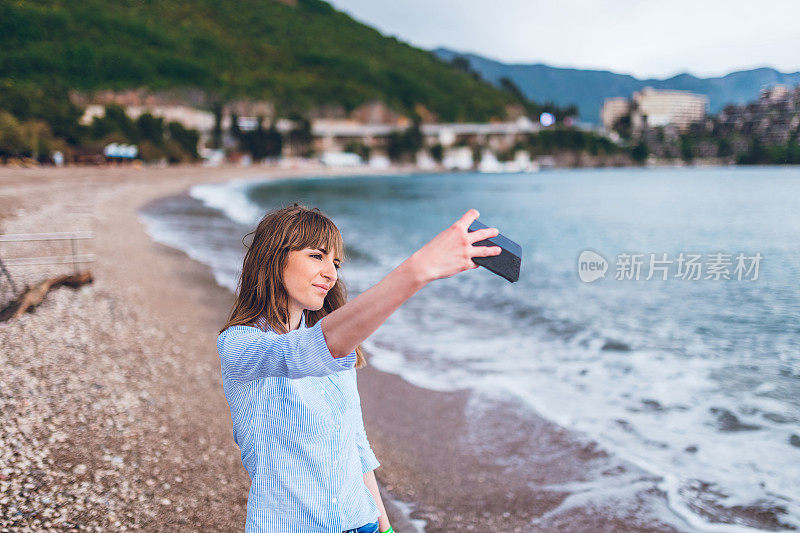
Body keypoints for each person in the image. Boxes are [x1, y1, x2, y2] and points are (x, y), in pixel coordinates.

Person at [217, 204, 502, 532]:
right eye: (317, 256)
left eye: (335, 262)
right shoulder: (239, 346)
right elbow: (300, 352)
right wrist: (419, 269)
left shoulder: (336, 354)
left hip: (363, 522)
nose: (331, 273)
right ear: (274, 256)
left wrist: (386, 527)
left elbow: (356, 447)